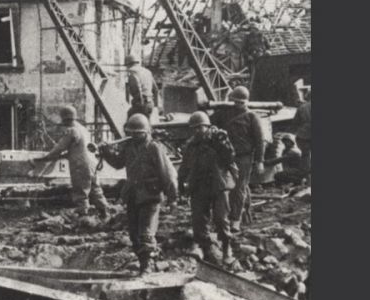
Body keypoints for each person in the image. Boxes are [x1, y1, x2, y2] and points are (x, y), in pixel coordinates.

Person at [98, 114, 177, 274]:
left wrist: (172, 198)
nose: (133, 136)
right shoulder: (129, 147)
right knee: (134, 234)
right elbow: (118, 163)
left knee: (146, 233)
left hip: (150, 195)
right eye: (131, 133)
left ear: (146, 132)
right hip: (133, 195)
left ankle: (148, 265)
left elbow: (168, 174)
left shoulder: (154, 148)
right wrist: (106, 152)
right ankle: (144, 263)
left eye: (137, 133)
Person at [178, 111, 237, 265]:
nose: (197, 131)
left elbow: (230, 157)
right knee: (198, 219)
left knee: (221, 218)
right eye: (194, 128)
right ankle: (206, 248)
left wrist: (223, 142)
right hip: (199, 185)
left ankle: (227, 247)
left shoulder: (218, 139)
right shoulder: (191, 145)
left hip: (218, 184)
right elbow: (185, 166)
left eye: (200, 127)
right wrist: (181, 184)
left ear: (207, 126)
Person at [31, 105, 109, 218]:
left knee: (81, 192)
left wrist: (46, 157)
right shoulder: (83, 129)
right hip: (92, 164)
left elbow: (59, 148)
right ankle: (105, 213)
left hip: (81, 165)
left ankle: (83, 217)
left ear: (64, 119)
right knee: (95, 189)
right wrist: (65, 155)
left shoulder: (72, 131)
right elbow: (79, 148)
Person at [212, 86, 265, 232]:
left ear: (246, 102)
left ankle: (235, 219)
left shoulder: (252, 117)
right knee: (225, 186)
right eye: (235, 102)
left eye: (241, 102)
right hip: (226, 156)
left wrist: (259, 161)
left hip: (244, 157)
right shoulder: (224, 113)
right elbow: (210, 123)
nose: (238, 105)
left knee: (239, 188)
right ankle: (232, 215)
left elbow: (260, 141)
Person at [125, 53, 160, 118]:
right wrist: (156, 106)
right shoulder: (147, 72)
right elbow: (156, 89)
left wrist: (139, 105)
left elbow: (137, 90)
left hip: (141, 105)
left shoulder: (132, 72)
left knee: (130, 119)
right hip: (150, 104)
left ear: (128, 64)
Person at [292, 90, 311, 176]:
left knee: (305, 155)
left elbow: (295, 123)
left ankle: (306, 176)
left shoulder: (302, 108)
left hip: (303, 135)